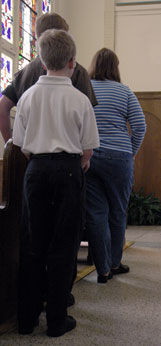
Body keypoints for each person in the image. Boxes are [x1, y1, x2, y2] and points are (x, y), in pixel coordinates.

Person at [0, 12, 97, 307]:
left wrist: (11, 149)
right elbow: (88, 135)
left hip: (31, 166)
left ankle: (29, 310)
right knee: (64, 240)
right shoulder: (76, 73)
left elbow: (4, 107)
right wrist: (81, 160)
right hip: (68, 165)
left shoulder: (28, 75)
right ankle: (58, 304)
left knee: (32, 238)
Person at [87, 48, 146, 284]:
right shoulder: (124, 91)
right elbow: (140, 126)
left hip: (90, 155)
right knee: (118, 211)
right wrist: (130, 152)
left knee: (96, 214)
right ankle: (114, 262)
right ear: (116, 67)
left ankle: (103, 271)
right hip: (119, 157)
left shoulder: (84, 89)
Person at [0, 12, 97, 143]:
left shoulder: (25, 73)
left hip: (31, 153)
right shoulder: (77, 71)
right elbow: (89, 117)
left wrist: (9, 143)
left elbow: (3, 107)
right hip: (69, 151)